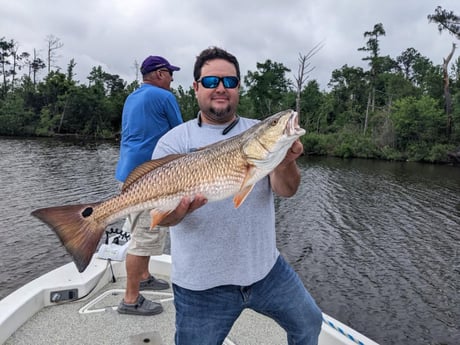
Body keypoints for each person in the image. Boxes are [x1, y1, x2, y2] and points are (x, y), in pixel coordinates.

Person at [152, 47, 323, 344]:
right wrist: (177, 213)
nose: (221, 88)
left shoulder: (256, 133)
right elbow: (162, 217)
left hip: (267, 272)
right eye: (210, 82)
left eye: (230, 82)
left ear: (238, 88)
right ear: (195, 88)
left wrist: (287, 161)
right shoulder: (175, 142)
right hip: (201, 286)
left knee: (309, 323)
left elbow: (287, 190)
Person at [114, 55, 183, 315]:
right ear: (159, 74)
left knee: (140, 232)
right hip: (151, 180)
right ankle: (131, 299)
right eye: (170, 73)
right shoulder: (164, 97)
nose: (173, 79)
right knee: (143, 239)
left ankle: (144, 275)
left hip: (128, 174)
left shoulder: (133, 97)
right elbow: (180, 134)